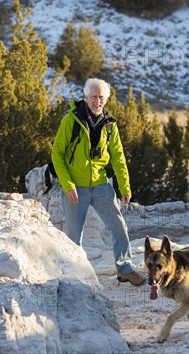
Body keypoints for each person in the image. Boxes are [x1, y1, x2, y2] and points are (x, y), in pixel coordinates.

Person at [51, 77, 146, 286]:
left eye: (101, 97)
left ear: (106, 99)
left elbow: (118, 157)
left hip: (101, 185)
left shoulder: (110, 124)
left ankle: (125, 269)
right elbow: (57, 153)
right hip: (76, 186)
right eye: (93, 96)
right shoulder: (71, 120)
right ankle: (74, 275)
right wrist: (68, 185)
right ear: (86, 97)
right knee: (75, 236)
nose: (97, 101)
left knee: (119, 226)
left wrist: (125, 187)